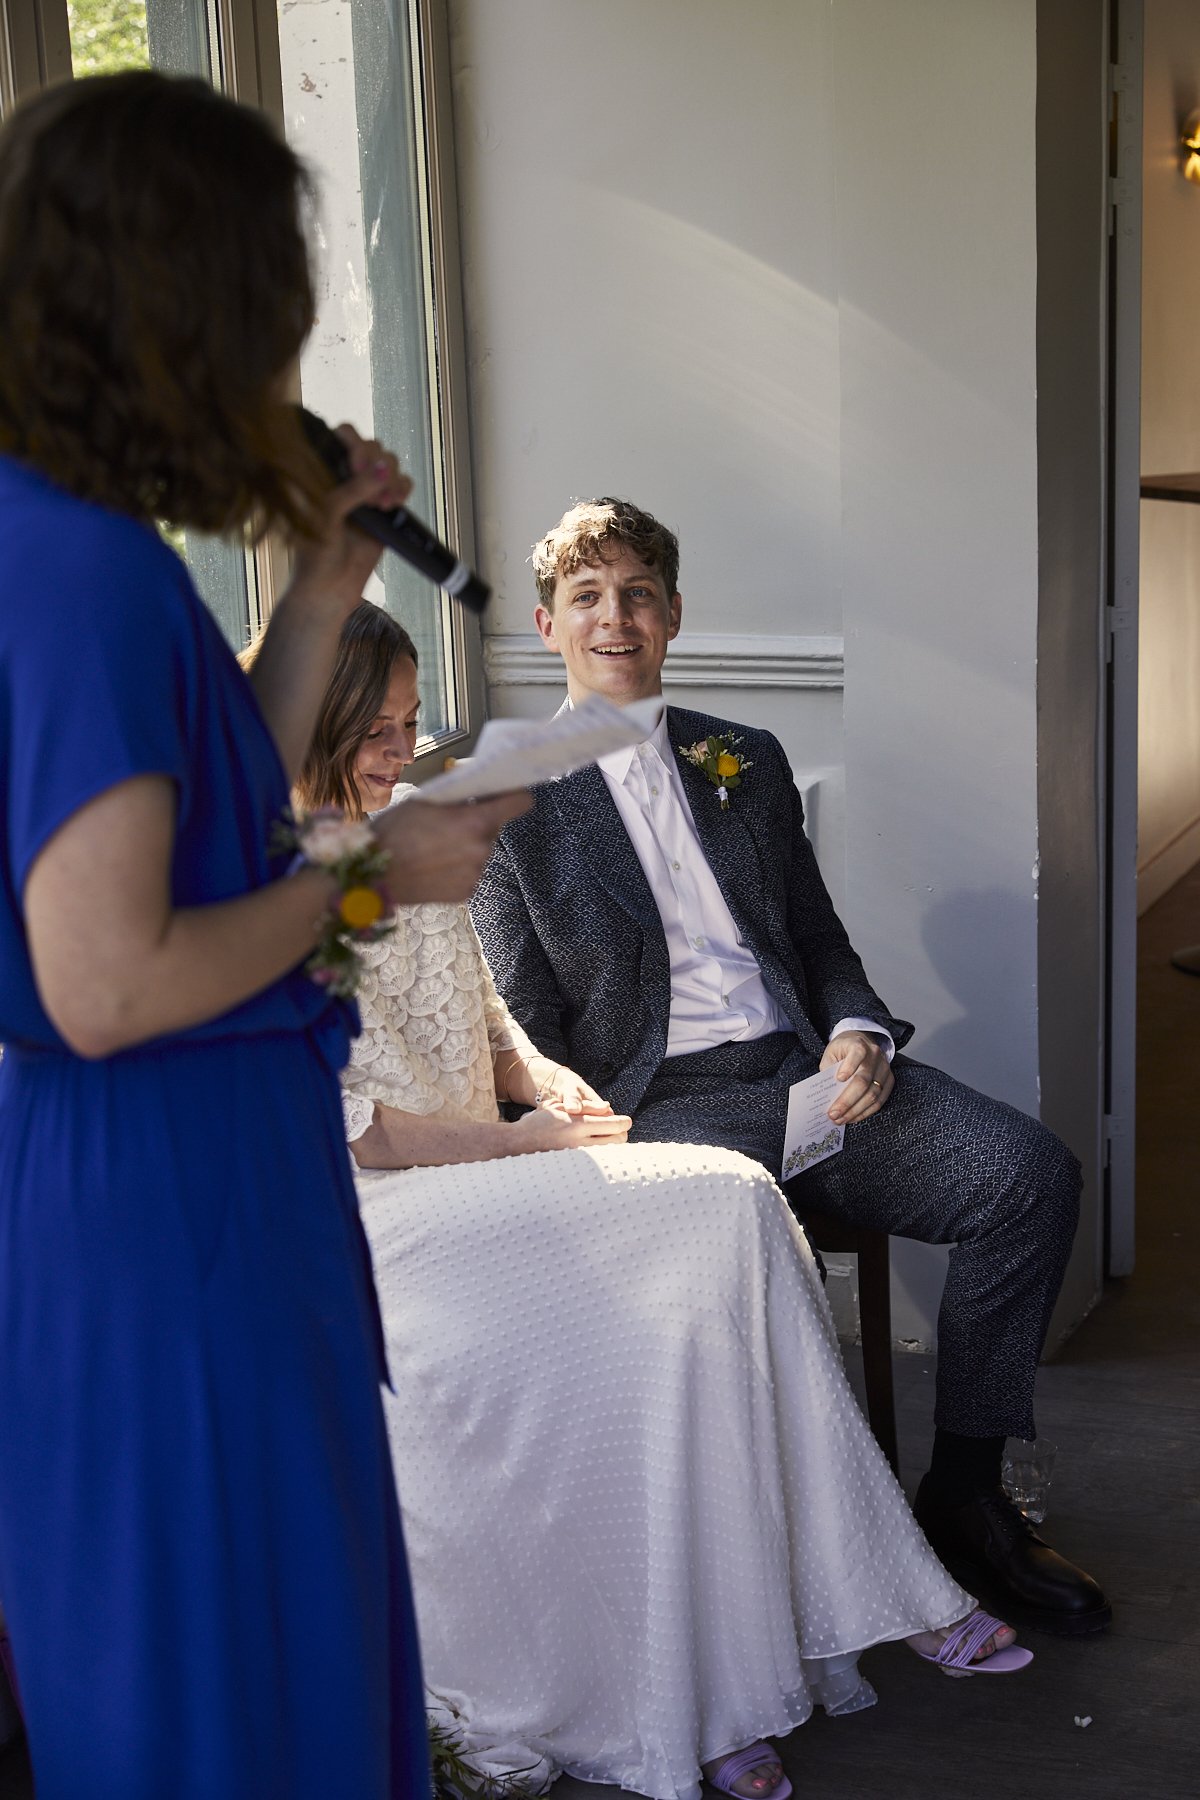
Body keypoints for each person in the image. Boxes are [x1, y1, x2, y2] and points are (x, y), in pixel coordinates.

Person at [0, 72, 524, 1800]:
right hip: (171, 1213)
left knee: (270, 1653)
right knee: (225, 1688)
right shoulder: (74, 571)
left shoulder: (77, 545)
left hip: (191, 1183)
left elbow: (202, 811)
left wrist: (314, 595)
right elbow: (110, 980)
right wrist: (378, 873)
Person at [301, 601, 1030, 1800]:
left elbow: (487, 1020)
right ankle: (727, 1676)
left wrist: (558, 1092)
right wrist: (523, 1140)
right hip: (385, 1209)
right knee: (715, 1208)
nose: (401, 747)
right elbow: (350, 1130)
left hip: (498, 1162)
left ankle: (761, 1654)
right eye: (376, 729)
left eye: (410, 720)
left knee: (733, 1206)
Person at [471, 497, 1112, 1639]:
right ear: (545, 626)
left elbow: (817, 944)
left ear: (673, 616)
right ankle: (804, 1548)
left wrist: (858, 1030)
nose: (615, 616)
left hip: (804, 1069)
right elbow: (524, 1030)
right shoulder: (506, 805)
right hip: (658, 1113)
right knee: (755, 1239)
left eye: (638, 594)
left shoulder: (743, 760)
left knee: (1029, 1176)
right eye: (588, 597)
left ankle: (965, 1495)